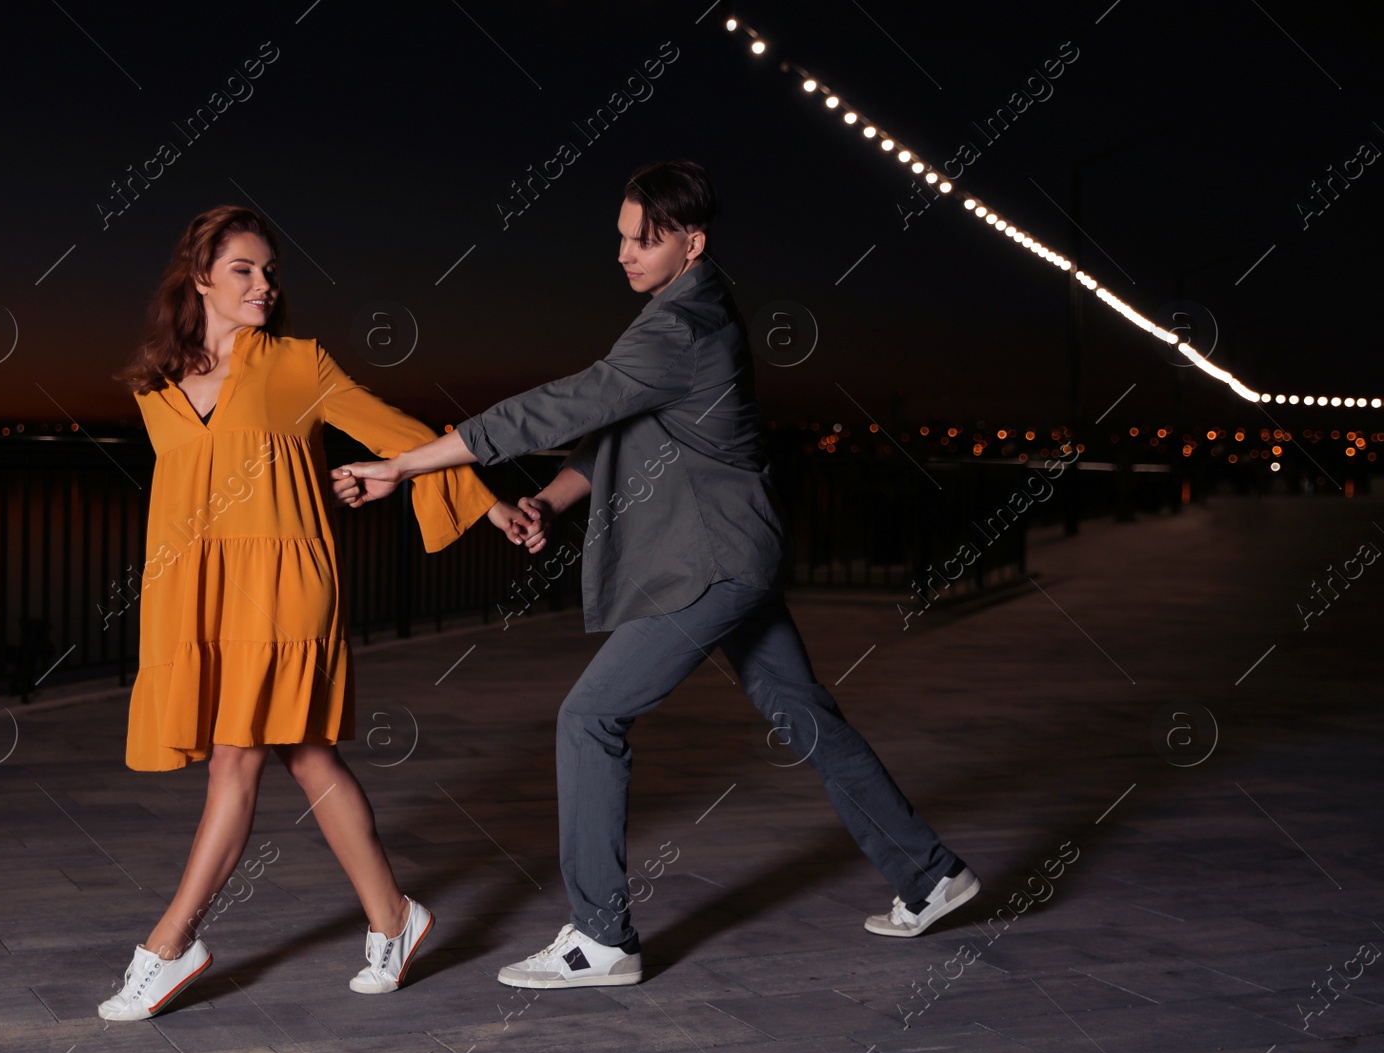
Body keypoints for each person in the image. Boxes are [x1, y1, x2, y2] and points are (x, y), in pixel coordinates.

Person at [337, 161, 978, 990]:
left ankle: (601, 936)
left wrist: (407, 465)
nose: (626, 253)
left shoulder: (679, 328)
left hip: (707, 566)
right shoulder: (687, 314)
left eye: (645, 239)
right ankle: (928, 875)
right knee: (806, 717)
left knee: (589, 718)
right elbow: (616, 430)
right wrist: (554, 501)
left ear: (692, 242)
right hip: (737, 555)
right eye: (621, 236)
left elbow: (558, 405)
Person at [99, 205, 531, 1020]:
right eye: (244, 270)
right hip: (203, 590)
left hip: (287, 583)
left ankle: (168, 944)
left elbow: (397, 434)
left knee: (237, 758)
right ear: (199, 278)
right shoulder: (156, 387)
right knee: (306, 754)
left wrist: (490, 503)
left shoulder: (298, 363)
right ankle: (394, 918)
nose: (265, 285)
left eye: (270, 272)